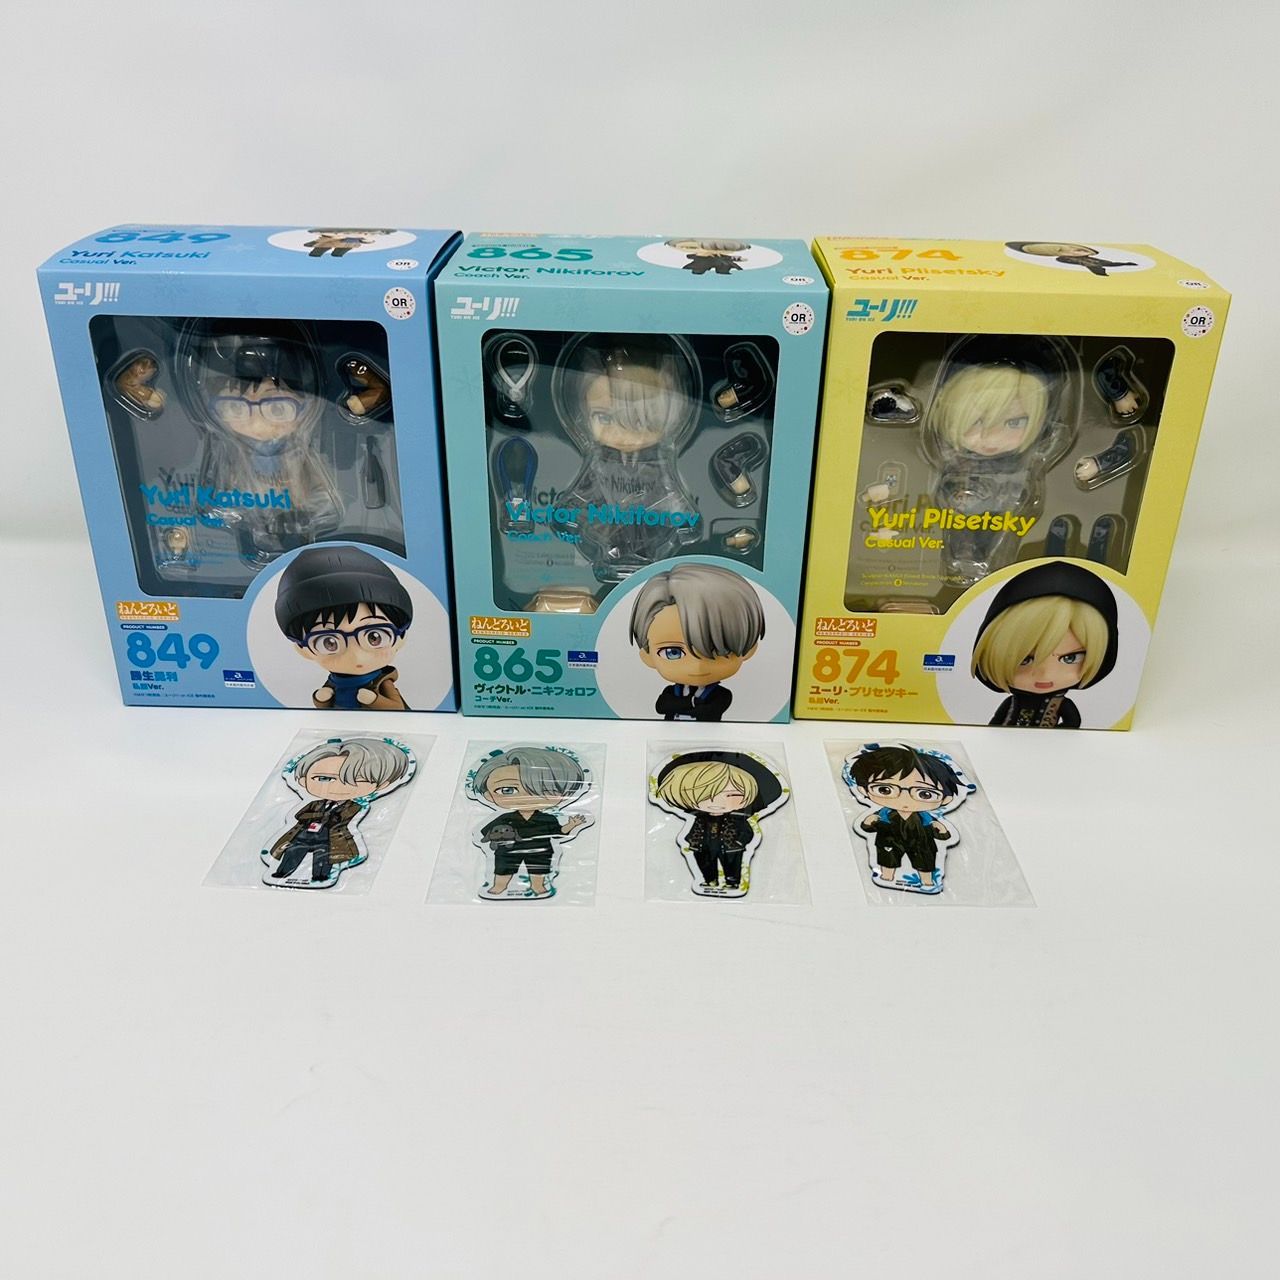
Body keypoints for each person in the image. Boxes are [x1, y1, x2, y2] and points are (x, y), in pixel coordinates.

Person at [971, 560, 1119, 728]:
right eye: (1024, 660)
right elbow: (996, 721)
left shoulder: (1062, 704)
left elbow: (1072, 722)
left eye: (1070, 658)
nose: (1045, 675)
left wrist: (1056, 736)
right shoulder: (1012, 702)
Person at [275, 544, 414, 710]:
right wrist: (321, 699)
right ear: (302, 649)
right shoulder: (334, 681)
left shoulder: (383, 682)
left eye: (374, 637)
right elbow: (323, 705)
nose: (357, 657)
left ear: (401, 637)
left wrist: (374, 700)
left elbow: (397, 709)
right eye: (329, 642)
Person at [263, 737, 412, 888]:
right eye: (323, 778)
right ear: (303, 780)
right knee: (292, 853)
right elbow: (299, 816)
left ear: (383, 784)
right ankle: (282, 872)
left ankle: (321, 876)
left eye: (356, 780)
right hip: (303, 835)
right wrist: (319, 816)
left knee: (324, 858)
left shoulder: (354, 806)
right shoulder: (315, 803)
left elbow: (343, 818)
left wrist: (324, 817)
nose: (337, 787)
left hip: (328, 837)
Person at [629, 563, 765, 721]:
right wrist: (693, 703)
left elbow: (709, 711)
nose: (697, 665)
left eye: (718, 650)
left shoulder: (721, 695)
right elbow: (661, 707)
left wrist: (685, 705)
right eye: (673, 652)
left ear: (749, 649)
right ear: (648, 656)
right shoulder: (671, 692)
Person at [651, 750, 786, 897]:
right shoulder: (697, 817)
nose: (717, 802)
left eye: (732, 795)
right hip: (703, 847)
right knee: (705, 863)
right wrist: (690, 840)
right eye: (704, 796)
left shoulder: (738, 817)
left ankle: (732, 882)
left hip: (731, 847)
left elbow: (747, 831)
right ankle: (710, 880)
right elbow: (693, 830)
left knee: (732, 865)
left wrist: (740, 841)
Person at [470, 747, 590, 900]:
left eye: (544, 789)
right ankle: (499, 886)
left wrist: (572, 825)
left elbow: (559, 833)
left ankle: (537, 886)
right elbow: (484, 833)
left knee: (539, 871)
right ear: (488, 795)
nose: (526, 796)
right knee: (503, 870)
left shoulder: (547, 818)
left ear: (565, 793)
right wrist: (492, 839)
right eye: (507, 790)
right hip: (507, 851)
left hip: (540, 851)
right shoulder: (504, 818)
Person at [845, 744, 965, 893]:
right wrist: (868, 823)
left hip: (922, 843)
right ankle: (886, 877)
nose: (905, 799)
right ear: (863, 790)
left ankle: (927, 882)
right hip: (889, 840)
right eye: (885, 789)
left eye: (924, 793)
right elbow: (869, 827)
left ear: (946, 799)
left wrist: (941, 830)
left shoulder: (927, 818)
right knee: (888, 859)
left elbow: (941, 834)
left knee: (925, 861)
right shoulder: (882, 815)